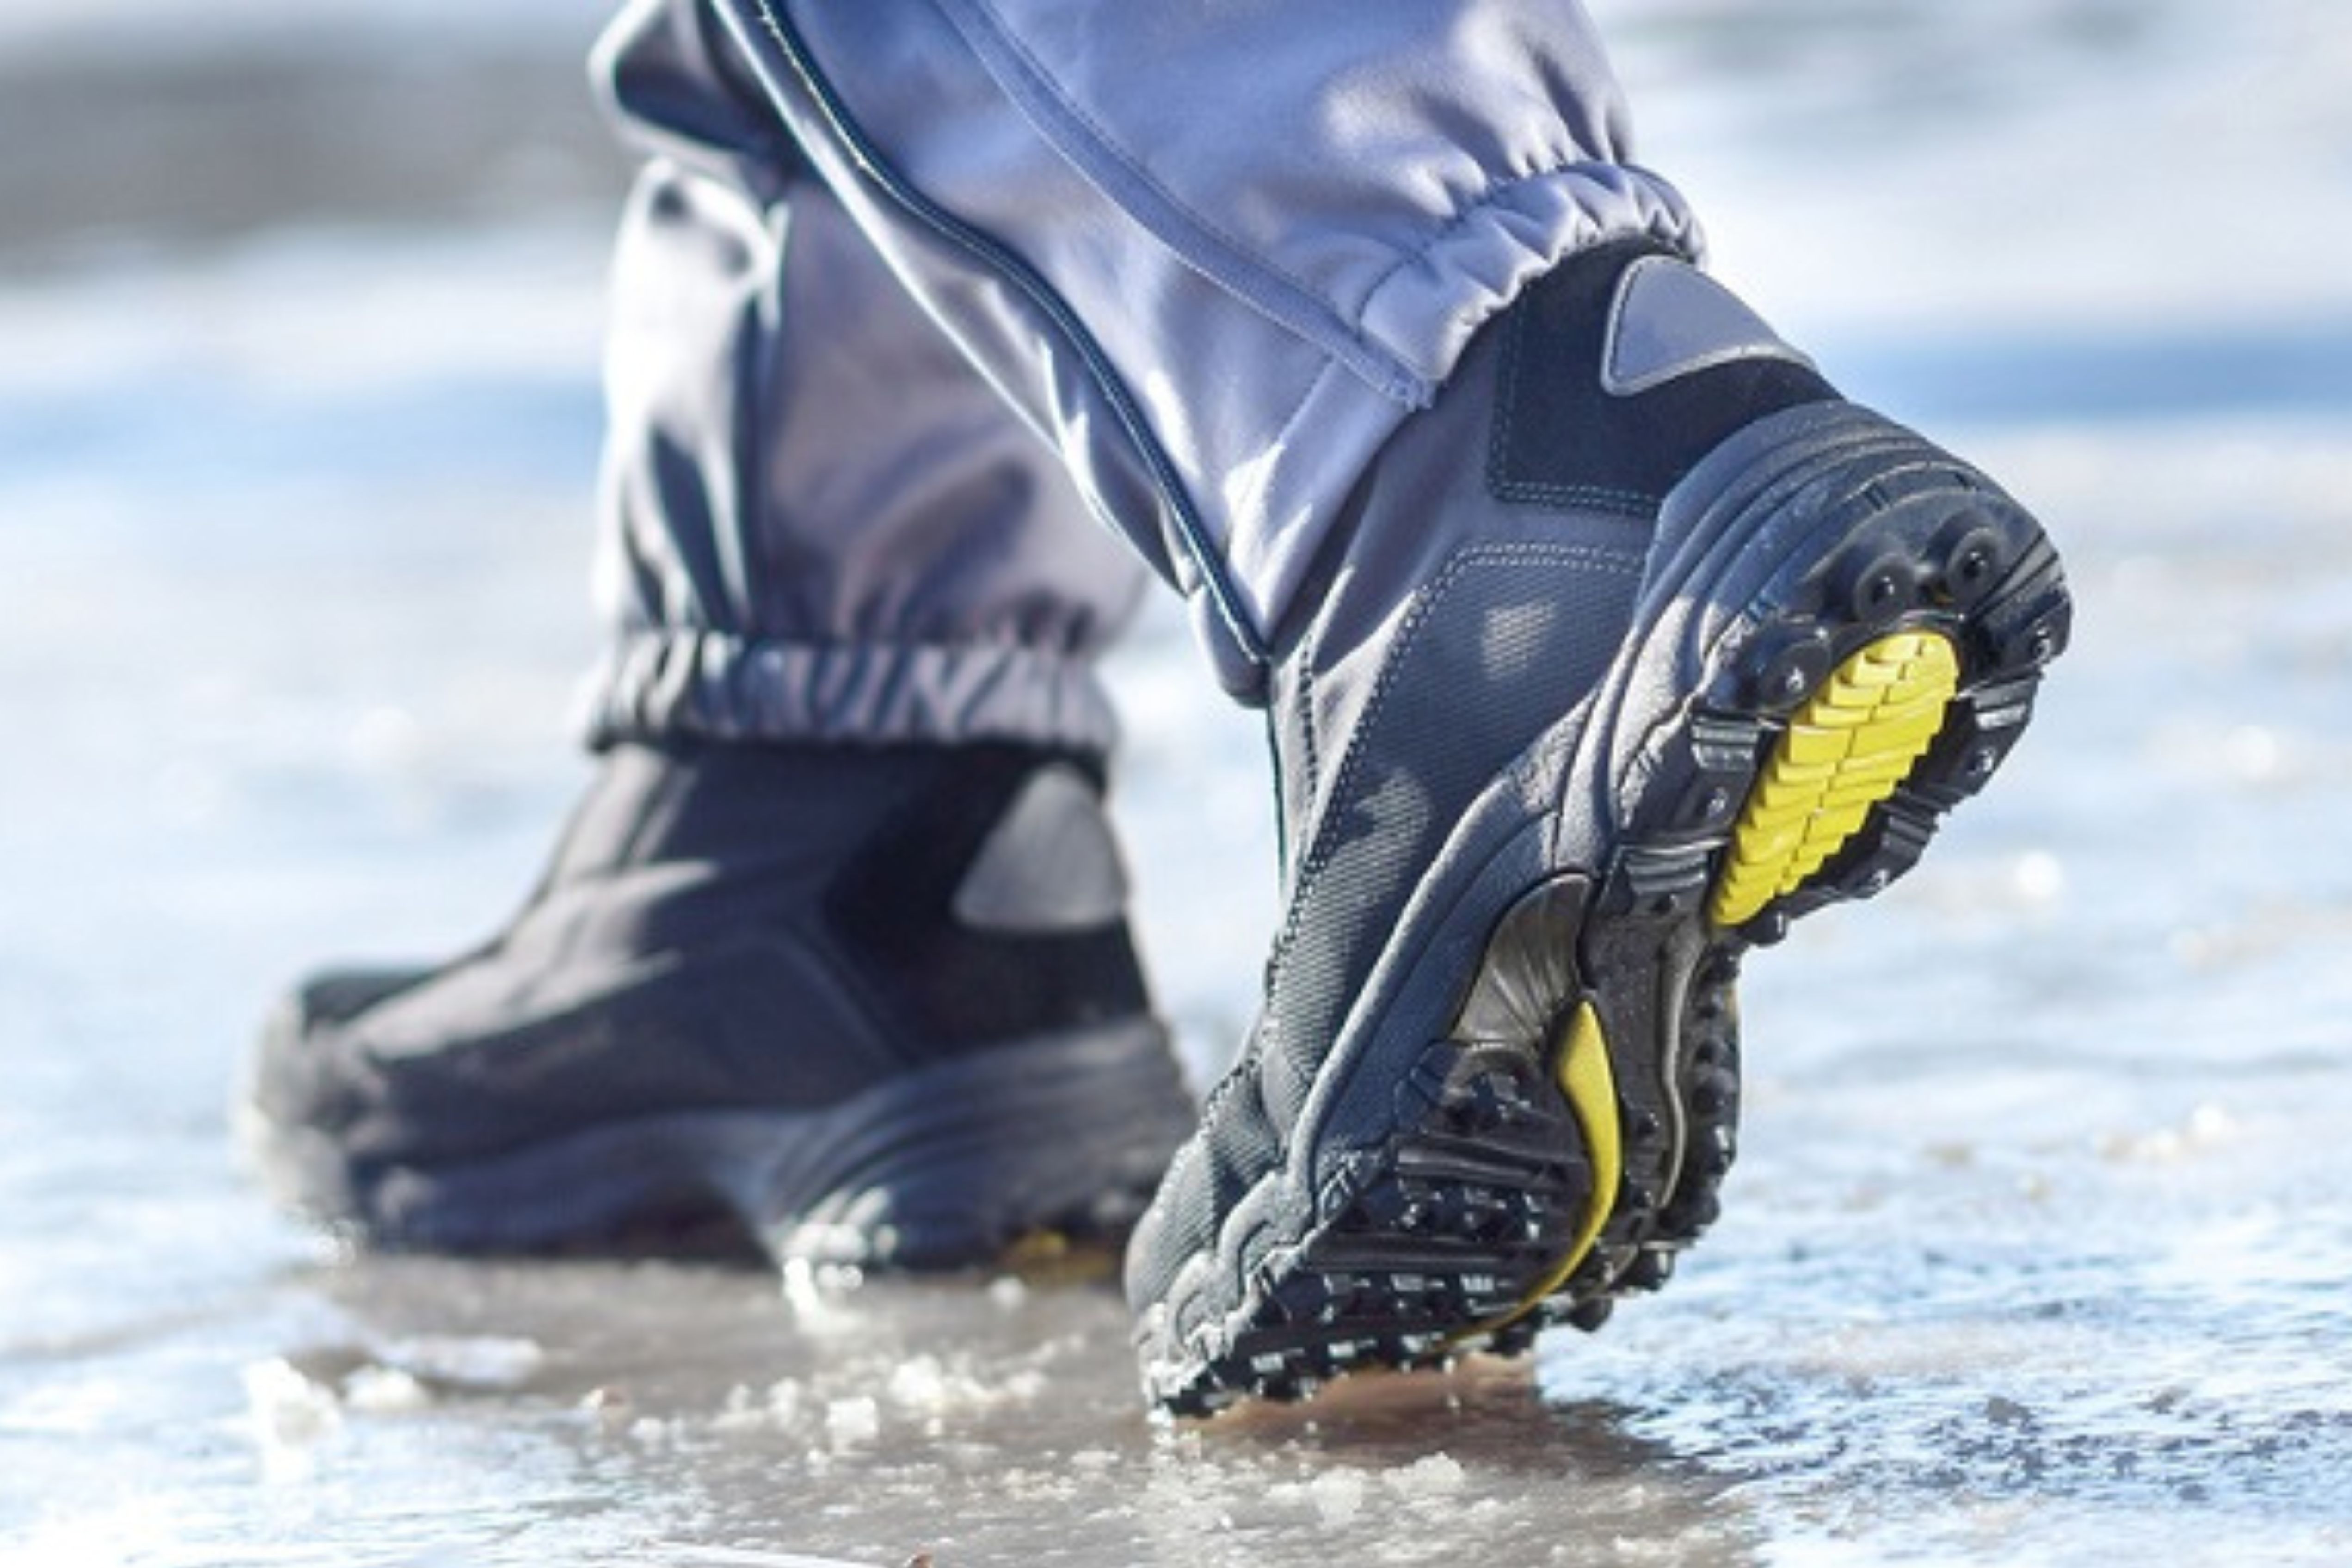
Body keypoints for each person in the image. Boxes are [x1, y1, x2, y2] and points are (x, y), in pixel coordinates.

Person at [244, 0, 2070, 1417]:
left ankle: (1480, 475)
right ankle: (826, 803)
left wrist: (1420, 309)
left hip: (1447, 384)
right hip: (848, 737)